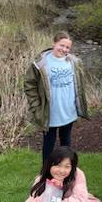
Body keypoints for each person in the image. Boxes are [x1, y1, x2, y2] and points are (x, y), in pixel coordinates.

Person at [24, 31, 89, 161]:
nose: (64, 49)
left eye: (67, 47)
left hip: (68, 110)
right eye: (61, 45)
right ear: (54, 43)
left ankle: (67, 167)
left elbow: (79, 85)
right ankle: (46, 170)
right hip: (50, 112)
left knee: (66, 141)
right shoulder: (40, 63)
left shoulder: (74, 62)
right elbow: (29, 85)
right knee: (49, 142)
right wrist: (36, 106)